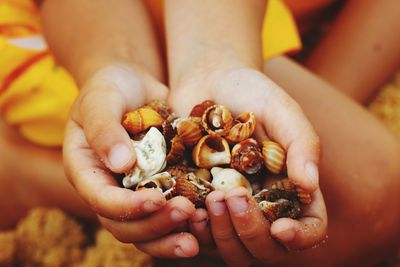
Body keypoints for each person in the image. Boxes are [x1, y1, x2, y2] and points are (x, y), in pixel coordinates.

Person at [0, 0, 399, 266]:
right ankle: (38, 178)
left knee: (364, 196)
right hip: (98, 23)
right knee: (367, 193)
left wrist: (315, 102)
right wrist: (118, 61)